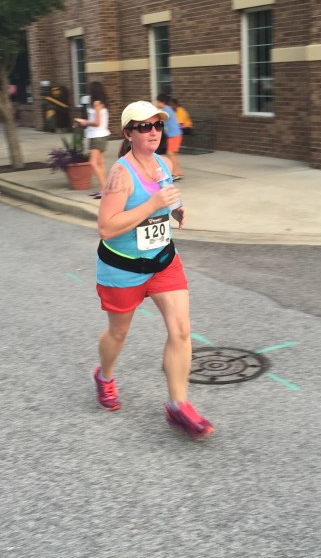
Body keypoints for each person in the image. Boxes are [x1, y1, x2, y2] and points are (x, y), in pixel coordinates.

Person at [91, 100, 213, 439]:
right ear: (128, 133)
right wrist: (152, 205)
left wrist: (176, 209)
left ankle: (178, 404)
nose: (153, 131)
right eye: (144, 126)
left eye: (157, 125)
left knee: (181, 330)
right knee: (118, 333)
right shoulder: (120, 174)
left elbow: (167, 195)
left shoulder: (163, 162)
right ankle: (104, 375)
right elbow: (106, 227)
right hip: (123, 267)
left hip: (162, 261)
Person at [74, 81, 111, 199]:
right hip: (100, 135)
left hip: (97, 135)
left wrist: (84, 122)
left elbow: (97, 122)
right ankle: (103, 188)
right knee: (100, 162)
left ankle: (104, 189)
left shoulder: (97, 104)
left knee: (93, 163)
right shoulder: (101, 103)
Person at [156, 94, 183, 180]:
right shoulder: (167, 109)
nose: (157, 104)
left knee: (170, 153)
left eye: (158, 102)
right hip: (174, 135)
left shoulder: (166, 110)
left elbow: (161, 119)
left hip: (174, 135)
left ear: (163, 102)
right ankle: (178, 172)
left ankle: (175, 173)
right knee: (173, 154)